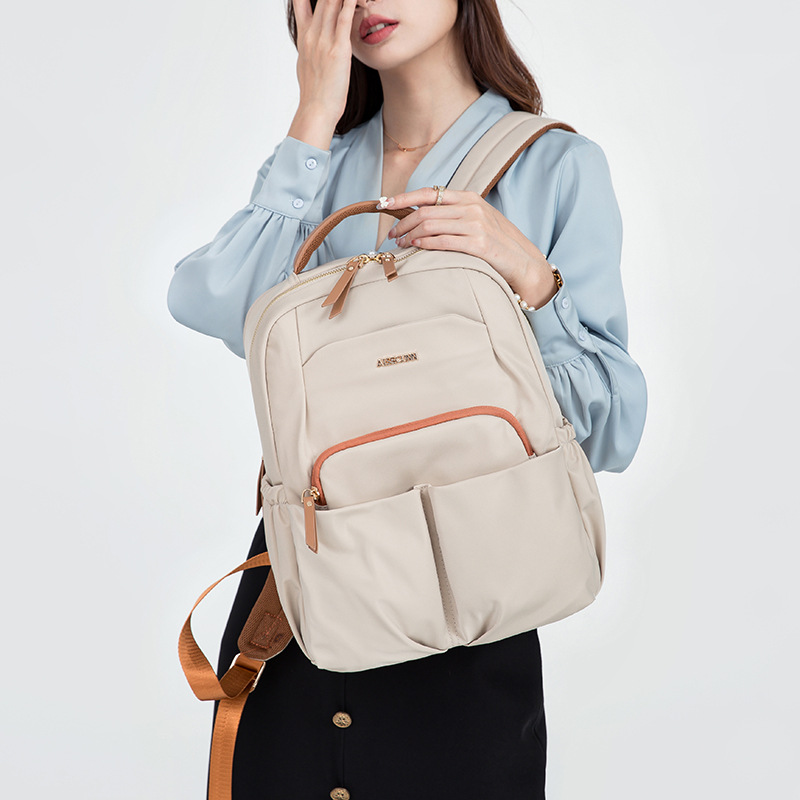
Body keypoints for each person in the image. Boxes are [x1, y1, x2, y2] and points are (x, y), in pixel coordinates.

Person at [167, 1, 648, 797]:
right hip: (297, 611)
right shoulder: (319, 165)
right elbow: (212, 302)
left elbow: (613, 426)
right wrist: (313, 115)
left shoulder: (555, 167)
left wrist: (532, 280)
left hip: (465, 623)